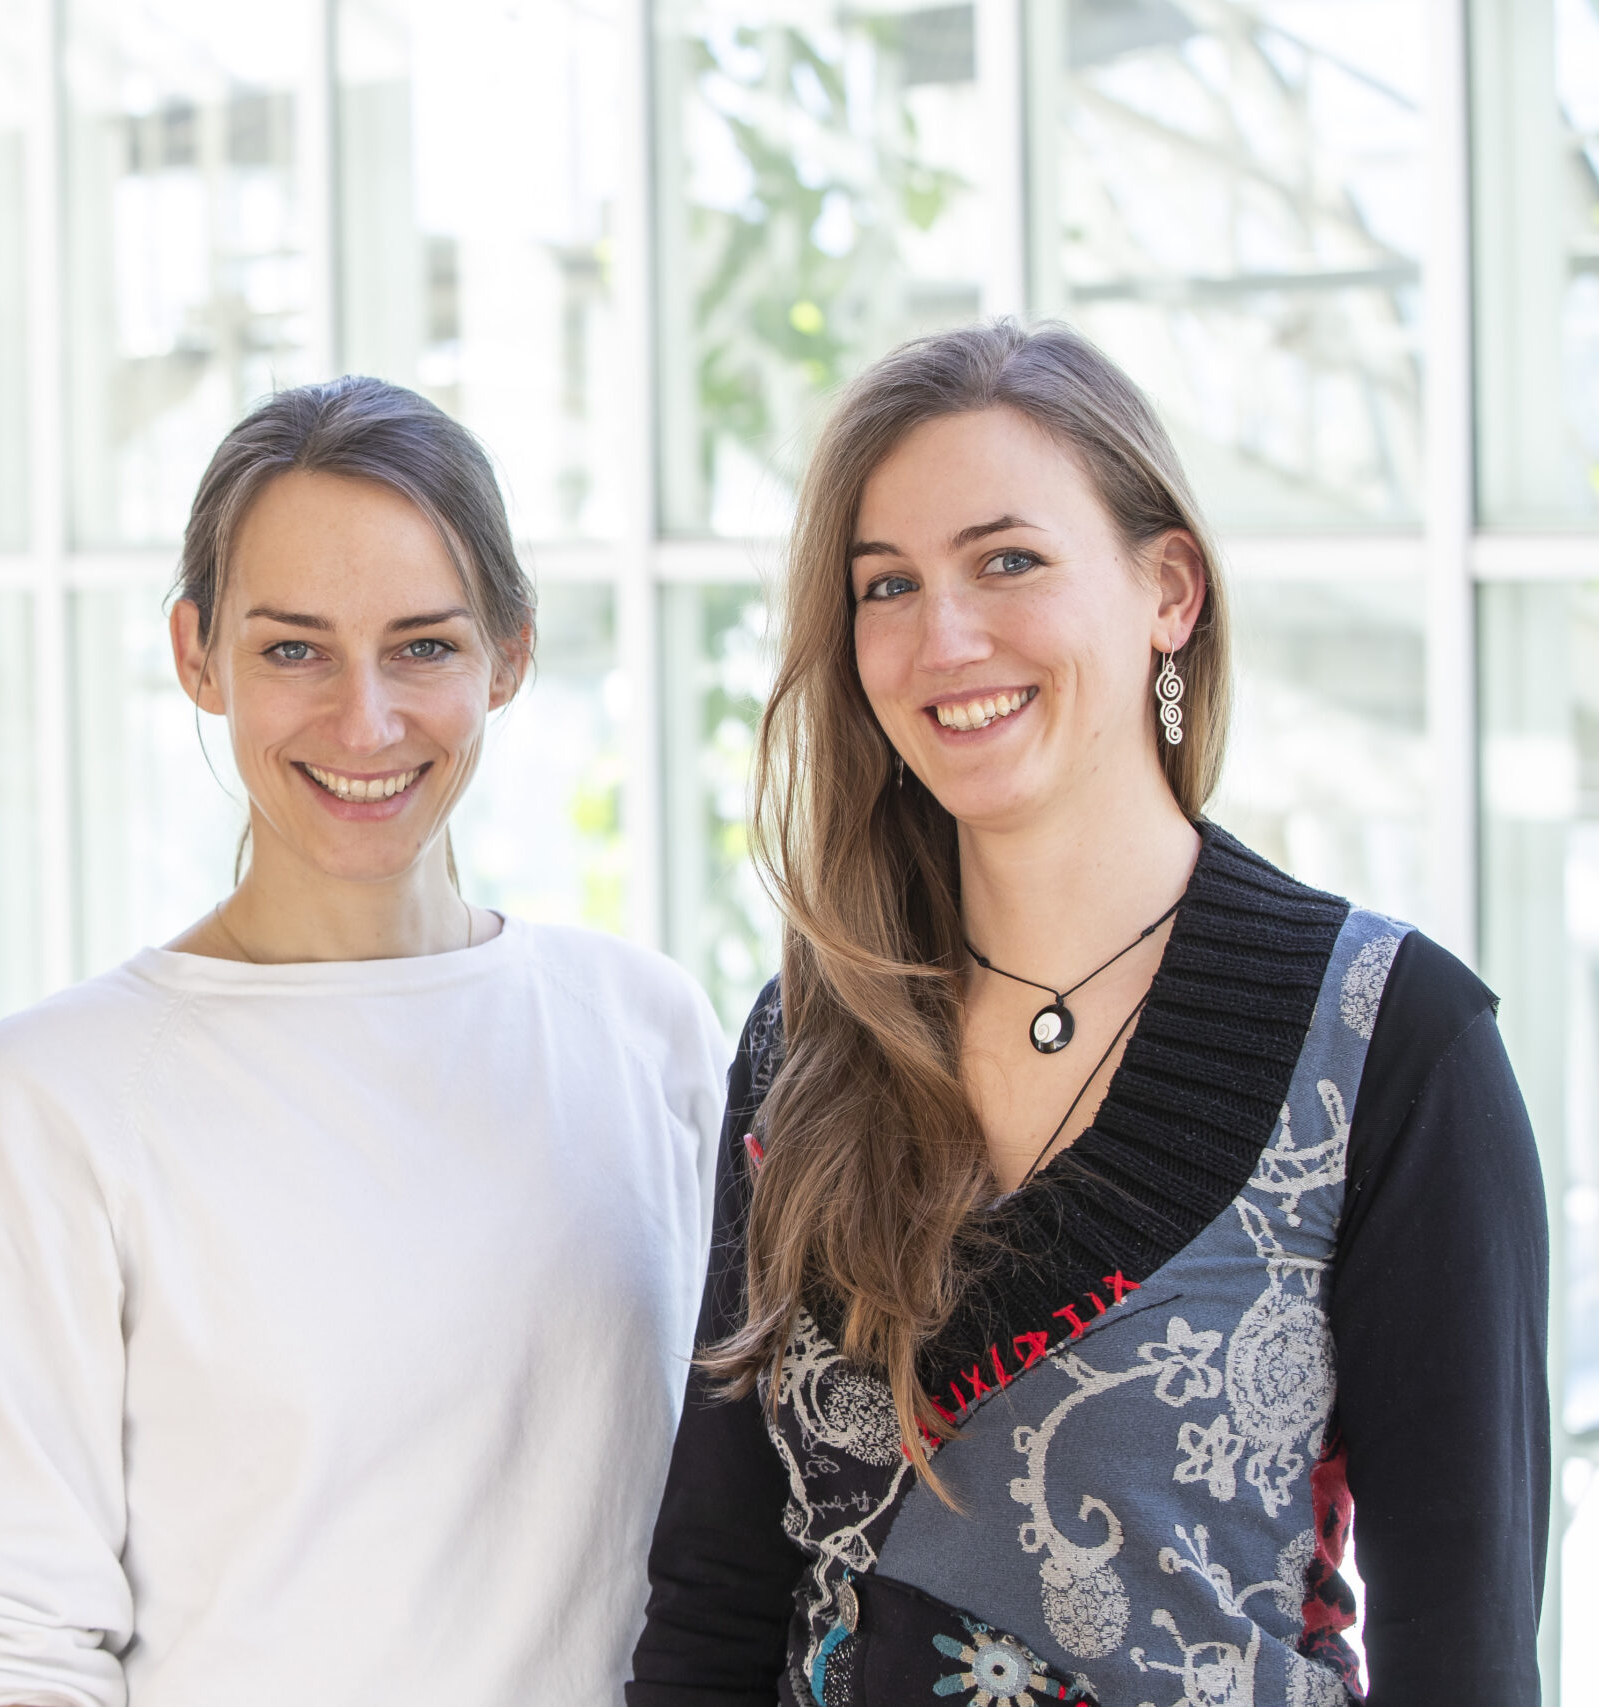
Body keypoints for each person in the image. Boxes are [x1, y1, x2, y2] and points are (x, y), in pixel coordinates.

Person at [624, 321, 1548, 1707]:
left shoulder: (1390, 1044)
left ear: (1168, 588)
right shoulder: (815, 1034)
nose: (944, 638)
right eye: (887, 585)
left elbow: (1464, 1656)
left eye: (1009, 561)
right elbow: (714, 1601)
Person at [0, 376, 727, 1706]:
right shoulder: (46, 1102)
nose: (365, 721)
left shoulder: (646, 1030)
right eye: (293, 650)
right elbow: (3, 1644)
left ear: (511, 653)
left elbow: (723, 1552)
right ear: (195, 655)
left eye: (424, 646)